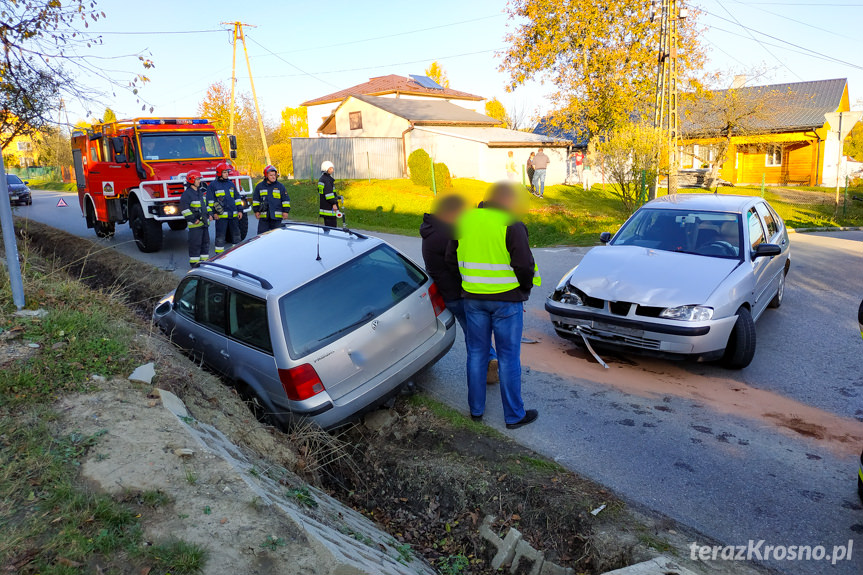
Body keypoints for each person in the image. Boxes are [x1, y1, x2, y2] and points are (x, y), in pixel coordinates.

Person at [446, 182, 540, 429]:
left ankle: (476, 411)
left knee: (476, 354)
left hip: (473, 300)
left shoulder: (465, 221)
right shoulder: (512, 224)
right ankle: (514, 416)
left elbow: (450, 258)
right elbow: (524, 266)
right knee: (509, 358)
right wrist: (525, 290)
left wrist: (468, 283)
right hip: (507, 302)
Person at [420, 195, 499, 384]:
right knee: (475, 334)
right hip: (459, 294)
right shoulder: (446, 235)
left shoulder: (432, 231)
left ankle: (488, 362)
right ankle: (486, 364)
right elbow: (457, 263)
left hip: (449, 294)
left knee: (473, 332)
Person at [208, 161, 244, 255]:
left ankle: (236, 254)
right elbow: (210, 201)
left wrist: (240, 210)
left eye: (227, 172)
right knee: (220, 238)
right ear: (219, 173)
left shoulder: (231, 184)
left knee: (236, 236)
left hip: (233, 216)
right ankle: (219, 257)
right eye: (224, 172)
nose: (227, 174)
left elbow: (237, 198)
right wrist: (213, 213)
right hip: (221, 217)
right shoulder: (213, 185)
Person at [179, 170, 212, 267]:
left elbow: (206, 205)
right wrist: (194, 220)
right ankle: (195, 265)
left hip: (204, 224)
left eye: (199, 179)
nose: (199, 181)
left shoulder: (201, 192)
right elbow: (184, 210)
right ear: (192, 180)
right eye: (197, 179)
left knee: (205, 244)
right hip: (195, 226)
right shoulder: (187, 194)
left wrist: (210, 214)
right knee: (195, 245)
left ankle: (204, 263)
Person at [252, 165, 290, 234]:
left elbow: (285, 200)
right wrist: (256, 211)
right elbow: (256, 200)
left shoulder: (280, 186)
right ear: (266, 176)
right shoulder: (259, 186)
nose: (273, 177)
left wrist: (286, 211)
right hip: (264, 218)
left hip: (276, 218)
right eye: (271, 175)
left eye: (274, 175)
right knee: (262, 236)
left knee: (276, 236)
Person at [318, 160, 339, 227]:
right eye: (330, 168)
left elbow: (321, 192)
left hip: (325, 207)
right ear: (325, 169)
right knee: (332, 228)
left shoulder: (322, 179)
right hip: (329, 208)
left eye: (332, 168)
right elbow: (329, 194)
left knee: (327, 228)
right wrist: (334, 204)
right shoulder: (327, 180)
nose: (332, 170)